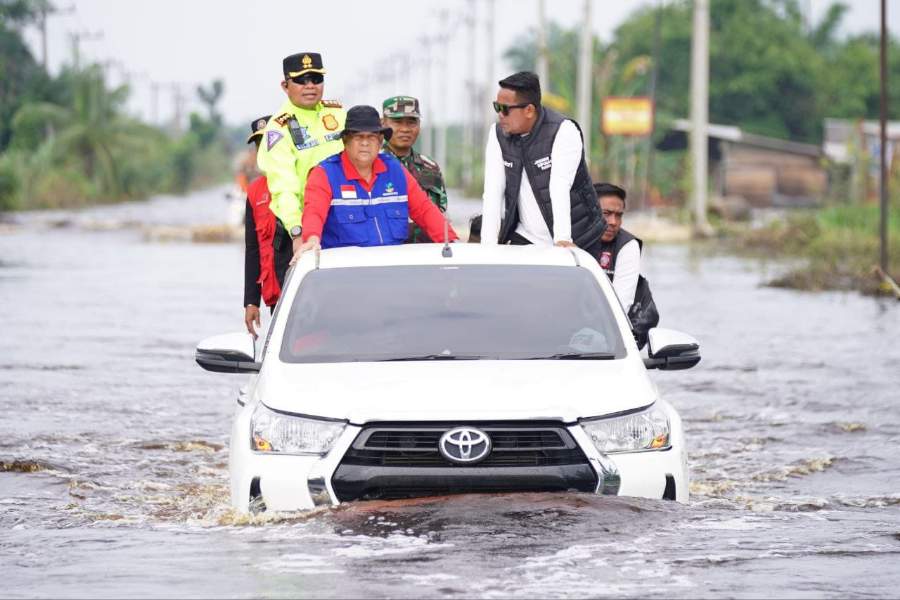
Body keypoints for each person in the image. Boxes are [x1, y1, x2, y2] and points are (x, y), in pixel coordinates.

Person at [292, 105, 458, 260]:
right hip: (343, 275)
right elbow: (314, 213)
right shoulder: (324, 174)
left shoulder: (394, 169)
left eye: (371, 137)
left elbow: (425, 210)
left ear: (380, 142)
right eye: (358, 137)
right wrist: (312, 239)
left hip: (390, 271)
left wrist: (452, 242)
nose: (365, 143)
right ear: (345, 141)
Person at [480, 71, 605, 249]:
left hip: (579, 238)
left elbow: (559, 185)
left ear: (529, 110)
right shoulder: (497, 134)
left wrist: (562, 240)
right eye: (496, 107)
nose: (500, 115)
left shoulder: (564, 131)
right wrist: (487, 248)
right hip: (526, 238)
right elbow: (492, 192)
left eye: (505, 109)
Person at [257, 52, 346, 257]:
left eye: (316, 79)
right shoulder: (278, 129)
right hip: (305, 229)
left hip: (348, 219)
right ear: (285, 86)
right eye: (301, 80)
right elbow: (284, 188)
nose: (310, 86)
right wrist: (298, 233)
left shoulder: (339, 114)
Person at [243, 116, 293, 338]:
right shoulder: (254, 192)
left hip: (304, 292)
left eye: (270, 143)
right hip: (275, 294)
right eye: (259, 144)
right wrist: (251, 301)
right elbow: (252, 249)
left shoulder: (304, 181)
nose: (265, 150)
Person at [380, 95, 448, 243]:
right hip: (386, 255)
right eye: (397, 122)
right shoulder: (373, 165)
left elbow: (440, 212)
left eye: (412, 122)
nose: (405, 129)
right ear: (383, 123)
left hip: (425, 256)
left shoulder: (430, 167)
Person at [592, 183, 641, 312]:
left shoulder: (628, 246)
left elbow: (621, 305)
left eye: (618, 215)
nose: (613, 222)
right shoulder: (569, 240)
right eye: (606, 213)